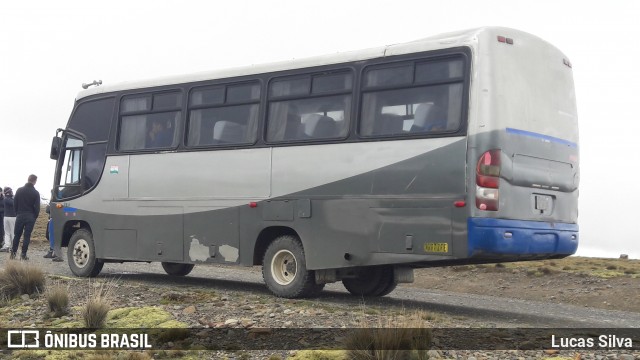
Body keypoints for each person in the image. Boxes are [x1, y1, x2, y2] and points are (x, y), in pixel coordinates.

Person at [10, 175, 40, 261]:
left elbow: (14, 203)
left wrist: (17, 213)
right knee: (27, 236)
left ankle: (13, 254)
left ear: (28, 179)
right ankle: (23, 255)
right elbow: (37, 208)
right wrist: (34, 217)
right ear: (34, 181)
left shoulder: (19, 190)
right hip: (30, 216)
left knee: (17, 235)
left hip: (20, 215)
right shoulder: (35, 193)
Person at [1, 187, 16, 252]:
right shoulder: (10, 199)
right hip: (12, 217)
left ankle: (7, 245)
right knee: (12, 232)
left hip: (5, 217)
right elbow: (14, 204)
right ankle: (13, 246)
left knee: (7, 232)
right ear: (9, 192)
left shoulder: (4, 199)